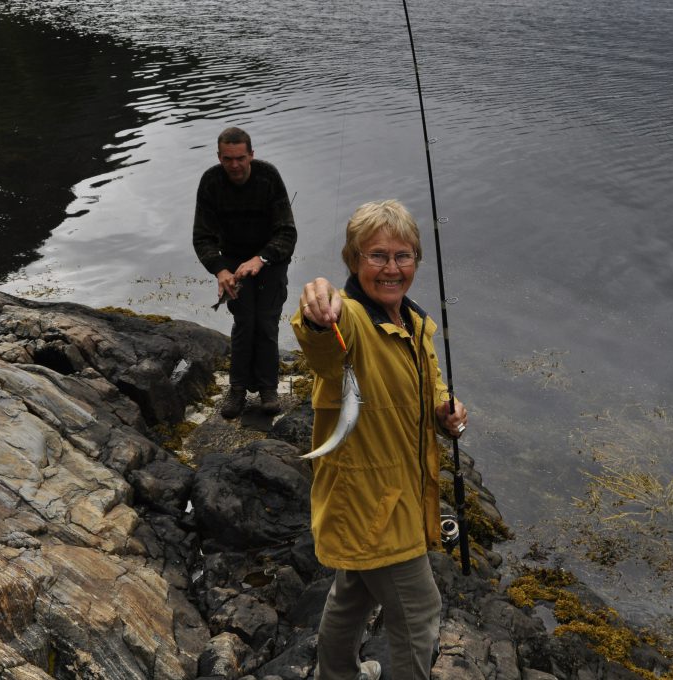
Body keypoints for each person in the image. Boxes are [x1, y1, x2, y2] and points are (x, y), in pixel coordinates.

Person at [290, 199, 468, 680]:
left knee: (352, 594)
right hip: (373, 507)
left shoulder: (411, 322)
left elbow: (425, 382)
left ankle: (337, 674)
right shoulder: (351, 322)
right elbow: (324, 339)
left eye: (403, 256)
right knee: (420, 615)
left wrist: (443, 408)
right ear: (352, 260)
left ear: (416, 261)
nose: (392, 268)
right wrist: (316, 309)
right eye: (377, 256)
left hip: (397, 495)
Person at [193, 127, 297, 418]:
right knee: (243, 321)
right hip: (233, 259)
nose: (235, 165)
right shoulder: (211, 182)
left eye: (240, 158)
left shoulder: (268, 177)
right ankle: (237, 389)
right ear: (219, 157)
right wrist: (220, 270)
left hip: (271, 258)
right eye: (228, 159)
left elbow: (287, 233)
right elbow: (202, 237)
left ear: (251, 154)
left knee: (266, 322)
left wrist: (261, 258)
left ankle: (268, 389)